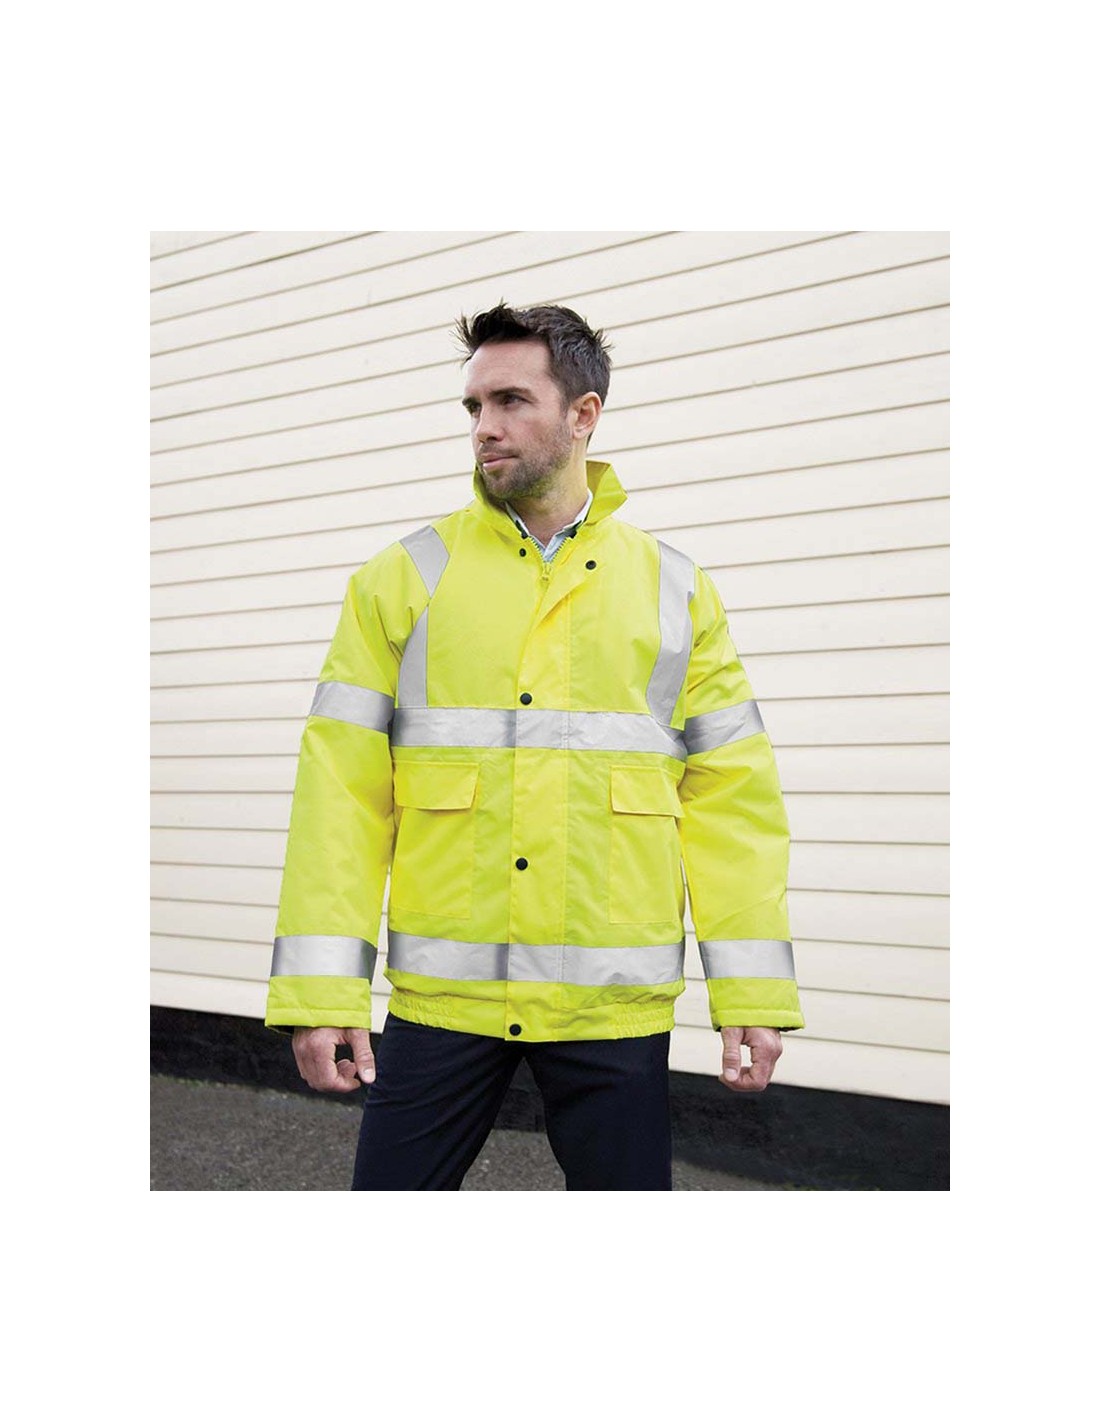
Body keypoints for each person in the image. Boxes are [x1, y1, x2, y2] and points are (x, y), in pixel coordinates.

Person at [265, 302, 805, 1191]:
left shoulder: (674, 589)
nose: (485, 427)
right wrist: (323, 994)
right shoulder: (402, 579)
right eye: (474, 406)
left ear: (584, 415)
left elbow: (732, 802)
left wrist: (750, 993)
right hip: (446, 1004)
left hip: (611, 1011)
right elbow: (340, 800)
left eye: (511, 401)